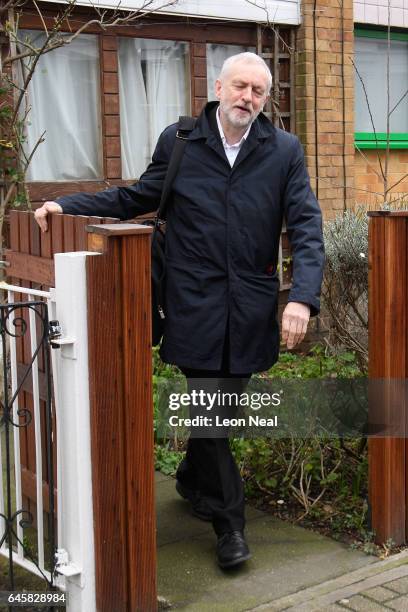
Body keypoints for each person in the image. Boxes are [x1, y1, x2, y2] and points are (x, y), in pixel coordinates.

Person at [35, 52, 324, 569]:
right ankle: (230, 527)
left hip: (250, 307)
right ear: (219, 85)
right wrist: (70, 204)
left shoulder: (283, 150)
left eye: (258, 92)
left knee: (220, 414)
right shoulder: (183, 140)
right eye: (240, 87)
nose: (248, 99)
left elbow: (305, 226)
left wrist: (301, 297)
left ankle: (192, 480)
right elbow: (140, 196)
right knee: (211, 412)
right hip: (193, 304)